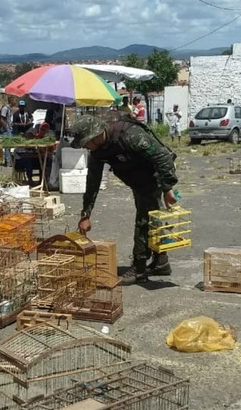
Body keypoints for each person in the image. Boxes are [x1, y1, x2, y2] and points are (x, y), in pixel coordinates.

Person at [72, 115, 179, 285]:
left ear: (95, 134)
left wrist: (167, 188)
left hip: (154, 178)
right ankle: (161, 262)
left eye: (85, 142)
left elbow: (162, 156)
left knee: (145, 221)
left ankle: (139, 268)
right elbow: (93, 181)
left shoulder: (130, 135)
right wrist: (86, 214)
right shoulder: (98, 151)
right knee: (153, 220)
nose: (85, 146)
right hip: (138, 182)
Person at [0, 95, 15, 166]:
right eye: (14, 100)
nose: (15, 102)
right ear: (11, 101)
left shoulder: (9, 109)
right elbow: (2, 119)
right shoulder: (5, 108)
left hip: (9, 129)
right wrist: (7, 128)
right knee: (7, 145)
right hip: (6, 130)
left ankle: (8, 160)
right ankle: (7, 161)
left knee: (9, 145)